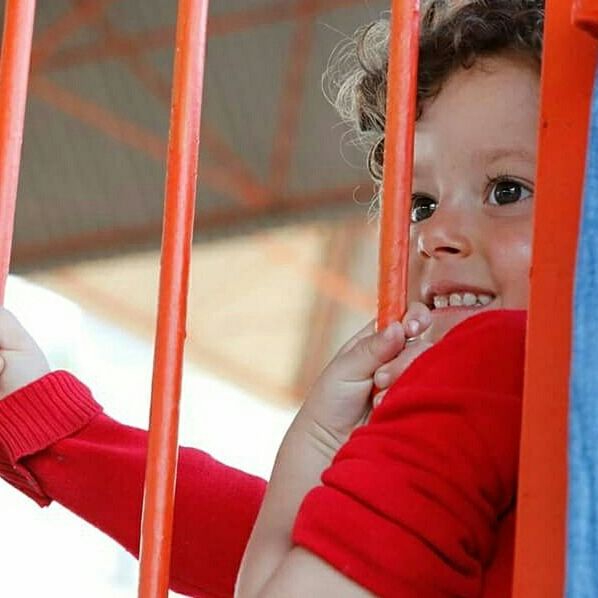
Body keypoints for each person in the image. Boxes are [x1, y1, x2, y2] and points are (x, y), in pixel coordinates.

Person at [0, 1, 541, 596]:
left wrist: (316, 442)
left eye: (507, 190)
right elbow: (330, 550)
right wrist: (52, 428)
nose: (434, 235)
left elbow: (279, 574)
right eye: (420, 205)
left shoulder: (488, 360)